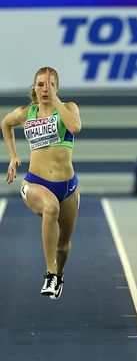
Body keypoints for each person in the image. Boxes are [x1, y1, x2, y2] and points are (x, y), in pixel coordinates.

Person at [2, 67, 81, 300]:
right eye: (40, 84)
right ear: (34, 88)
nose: (44, 89)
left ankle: (59, 273)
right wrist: (12, 155)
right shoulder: (27, 113)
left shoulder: (69, 108)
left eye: (50, 84)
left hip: (67, 186)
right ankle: (49, 273)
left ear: (57, 88)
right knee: (50, 208)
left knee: (64, 245)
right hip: (35, 182)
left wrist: (55, 101)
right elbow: (5, 124)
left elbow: (75, 127)